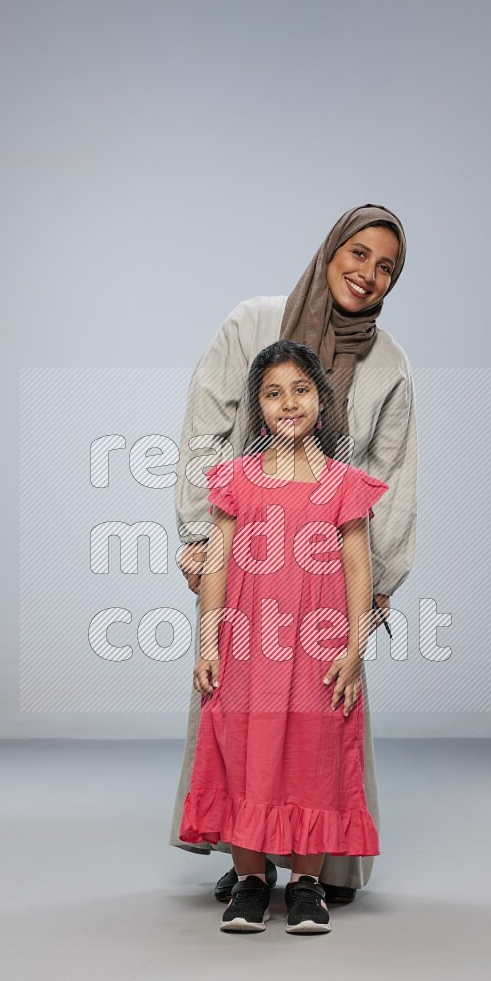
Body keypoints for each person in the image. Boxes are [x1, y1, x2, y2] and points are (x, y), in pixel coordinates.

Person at [170, 203, 418, 903]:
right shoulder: (254, 322)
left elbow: (393, 476)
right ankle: (247, 854)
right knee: (236, 710)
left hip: (328, 568)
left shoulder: (390, 364)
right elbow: (205, 427)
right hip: (248, 554)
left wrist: (379, 582)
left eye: (388, 267)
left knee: (324, 717)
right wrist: (196, 533)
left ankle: (321, 864)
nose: (369, 273)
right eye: (360, 252)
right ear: (332, 246)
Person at [180, 340, 389, 934]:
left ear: (320, 403)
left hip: (318, 650)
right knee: (242, 752)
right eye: (273, 393)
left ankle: (306, 884)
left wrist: (354, 650)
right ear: (259, 407)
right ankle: (250, 880)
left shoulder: (345, 483)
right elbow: (217, 563)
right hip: (249, 647)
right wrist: (209, 643)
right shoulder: (236, 481)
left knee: (315, 757)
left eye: (300, 390)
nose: (287, 403)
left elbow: (357, 567)